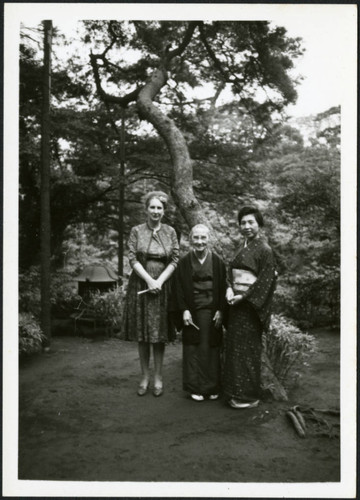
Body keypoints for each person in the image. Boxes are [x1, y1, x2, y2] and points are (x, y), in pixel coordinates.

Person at [122, 191, 179, 397]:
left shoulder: (170, 232)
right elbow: (132, 258)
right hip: (141, 285)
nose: (155, 211)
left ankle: (158, 377)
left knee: (158, 335)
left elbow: (174, 260)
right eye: (152, 207)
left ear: (164, 211)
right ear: (146, 209)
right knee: (143, 334)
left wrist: (160, 282)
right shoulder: (137, 231)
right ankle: (144, 376)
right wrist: (149, 280)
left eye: (159, 208)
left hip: (162, 288)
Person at [223, 205, 277, 409]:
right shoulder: (242, 246)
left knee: (249, 352)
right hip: (236, 305)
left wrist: (243, 297)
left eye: (251, 222)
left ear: (259, 224)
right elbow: (230, 272)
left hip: (251, 308)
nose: (246, 226)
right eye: (243, 222)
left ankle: (248, 396)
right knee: (235, 350)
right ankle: (235, 392)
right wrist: (229, 289)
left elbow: (265, 281)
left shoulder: (265, 250)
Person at [170, 224, 227, 401]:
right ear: (190, 239)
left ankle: (211, 387)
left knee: (211, 349)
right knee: (193, 350)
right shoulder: (184, 262)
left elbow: (224, 287)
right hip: (192, 311)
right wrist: (184, 310)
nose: (200, 241)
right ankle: (195, 387)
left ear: (209, 239)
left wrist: (221, 310)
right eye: (196, 237)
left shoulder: (217, 262)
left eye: (203, 238)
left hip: (212, 311)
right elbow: (178, 289)